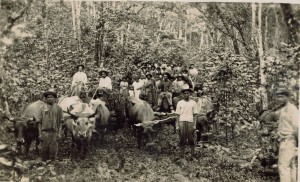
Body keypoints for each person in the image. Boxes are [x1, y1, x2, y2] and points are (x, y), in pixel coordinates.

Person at [271, 88, 298, 182]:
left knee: (283, 167)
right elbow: (284, 126)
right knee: (292, 166)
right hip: (286, 140)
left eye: (282, 96)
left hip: (289, 141)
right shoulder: (284, 109)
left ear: (287, 97)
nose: (279, 99)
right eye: (278, 97)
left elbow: (297, 127)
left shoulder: (292, 109)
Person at [37, 89, 64, 162]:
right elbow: (39, 122)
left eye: (51, 97)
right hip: (44, 132)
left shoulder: (59, 108)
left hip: (54, 132)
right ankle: (44, 165)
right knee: (44, 150)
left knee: (53, 150)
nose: (50, 99)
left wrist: (59, 133)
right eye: (48, 97)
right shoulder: (42, 108)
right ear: (45, 99)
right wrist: (40, 134)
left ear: (54, 99)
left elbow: (61, 121)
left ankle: (52, 165)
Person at [175, 84, 198, 157]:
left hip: (190, 122)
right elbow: (177, 115)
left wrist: (194, 124)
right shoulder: (180, 103)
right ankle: (182, 155)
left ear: (190, 93)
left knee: (191, 138)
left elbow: (195, 115)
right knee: (182, 138)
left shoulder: (193, 103)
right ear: (182, 94)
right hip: (182, 121)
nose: (186, 94)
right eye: (184, 93)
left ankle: (192, 154)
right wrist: (177, 125)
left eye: (187, 93)